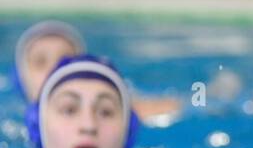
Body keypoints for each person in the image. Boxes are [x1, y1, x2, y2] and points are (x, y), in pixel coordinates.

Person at [1, 55, 146, 148]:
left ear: (128, 131)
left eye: (105, 112)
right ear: (37, 126)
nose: (88, 126)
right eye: (69, 109)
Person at [11, 20, 181, 121]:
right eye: (40, 62)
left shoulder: (121, 111)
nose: (54, 68)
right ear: (23, 78)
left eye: (65, 59)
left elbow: (177, 106)